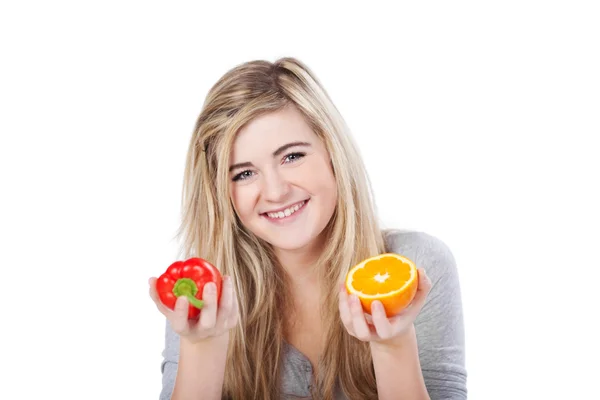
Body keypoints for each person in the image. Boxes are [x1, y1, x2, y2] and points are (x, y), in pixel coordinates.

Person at [148, 57, 467, 400]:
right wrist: (202, 347)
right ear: (219, 192)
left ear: (332, 151)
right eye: (244, 173)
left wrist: (393, 346)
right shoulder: (203, 291)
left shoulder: (412, 268)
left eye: (292, 157)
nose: (275, 191)